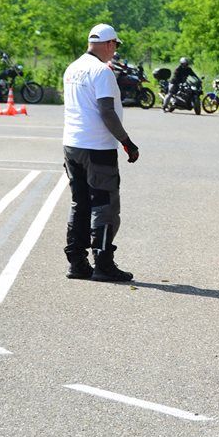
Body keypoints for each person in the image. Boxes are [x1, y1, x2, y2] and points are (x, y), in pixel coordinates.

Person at [62, 23, 140, 282]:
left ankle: (77, 262)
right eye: (115, 46)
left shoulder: (73, 68)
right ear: (108, 43)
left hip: (72, 145)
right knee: (104, 205)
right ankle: (103, 264)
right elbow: (106, 110)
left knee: (80, 203)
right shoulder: (101, 71)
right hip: (97, 148)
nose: (115, 52)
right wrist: (126, 141)